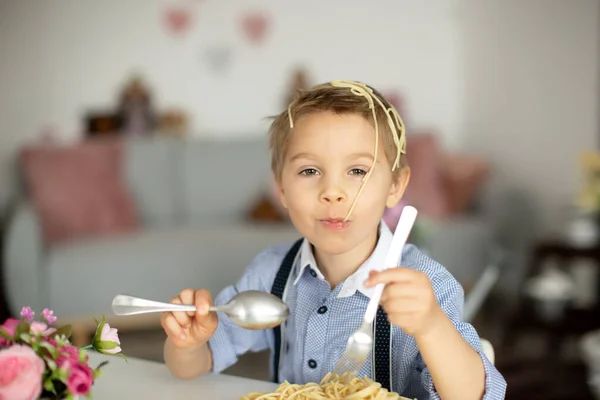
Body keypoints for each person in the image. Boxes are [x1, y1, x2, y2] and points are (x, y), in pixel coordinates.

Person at [161, 80, 507, 399]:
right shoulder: (271, 273)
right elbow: (193, 366)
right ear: (281, 189)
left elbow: (475, 395)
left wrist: (432, 326)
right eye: (309, 171)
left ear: (396, 186)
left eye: (357, 171)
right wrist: (188, 345)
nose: (332, 193)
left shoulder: (429, 287)